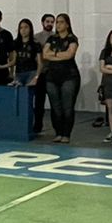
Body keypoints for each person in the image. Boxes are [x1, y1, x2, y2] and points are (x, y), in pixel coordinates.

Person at [39, 13, 81, 143]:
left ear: (67, 24)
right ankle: (58, 132)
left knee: (67, 106)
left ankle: (66, 134)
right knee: (55, 106)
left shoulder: (72, 38)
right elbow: (45, 54)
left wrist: (54, 54)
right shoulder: (52, 38)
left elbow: (69, 54)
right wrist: (59, 55)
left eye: (61, 22)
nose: (58, 25)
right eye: (57, 22)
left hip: (69, 75)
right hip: (52, 76)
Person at [29, 13, 56, 135]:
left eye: (52, 22)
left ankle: (57, 127)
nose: (50, 24)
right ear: (42, 22)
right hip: (40, 73)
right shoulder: (36, 37)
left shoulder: (57, 37)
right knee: (39, 102)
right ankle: (37, 126)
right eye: (47, 21)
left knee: (55, 102)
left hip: (53, 73)